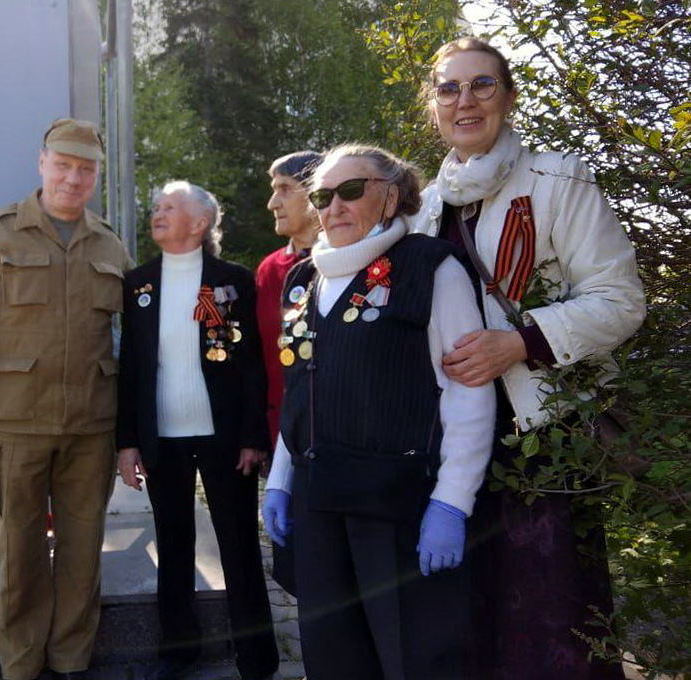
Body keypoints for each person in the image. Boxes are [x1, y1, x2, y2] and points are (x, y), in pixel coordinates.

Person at [410, 37, 646, 679]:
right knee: (470, 625)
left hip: (541, 444)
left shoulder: (556, 179)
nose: (466, 101)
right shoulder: (428, 207)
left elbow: (621, 300)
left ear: (508, 97)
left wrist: (519, 341)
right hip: (454, 445)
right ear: (432, 104)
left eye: (482, 85)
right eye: (450, 88)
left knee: (554, 627)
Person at [261, 144, 496, 679]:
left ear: (391, 195)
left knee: (410, 657)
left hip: (395, 504)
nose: (334, 206)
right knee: (333, 656)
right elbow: (301, 390)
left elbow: (467, 392)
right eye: (322, 195)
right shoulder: (303, 280)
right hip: (317, 500)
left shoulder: (430, 267)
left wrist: (453, 502)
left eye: (351, 190)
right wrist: (279, 479)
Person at [0, 118, 131, 680]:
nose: (74, 178)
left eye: (86, 169)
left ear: (95, 176)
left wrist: (129, 432)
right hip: (15, 424)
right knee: (20, 554)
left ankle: (72, 660)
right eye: (64, 165)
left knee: (82, 551)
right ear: (42, 162)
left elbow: (128, 342)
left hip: (91, 426)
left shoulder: (109, 244)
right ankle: (21, 665)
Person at [116, 181, 279, 680]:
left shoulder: (233, 281)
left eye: (169, 207)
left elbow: (252, 366)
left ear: (200, 222)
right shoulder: (138, 283)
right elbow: (131, 371)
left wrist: (253, 436)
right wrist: (127, 442)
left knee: (239, 545)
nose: (157, 213)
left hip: (226, 439)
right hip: (162, 437)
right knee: (175, 545)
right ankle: (179, 653)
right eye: (157, 207)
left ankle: (257, 658)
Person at [256, 151, 322, 447]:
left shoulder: (355, 261)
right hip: (281, 431)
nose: (272, 204)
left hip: (342, 432)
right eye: (274, 191)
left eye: (284, 189)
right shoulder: (270, 270)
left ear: (315, 192)